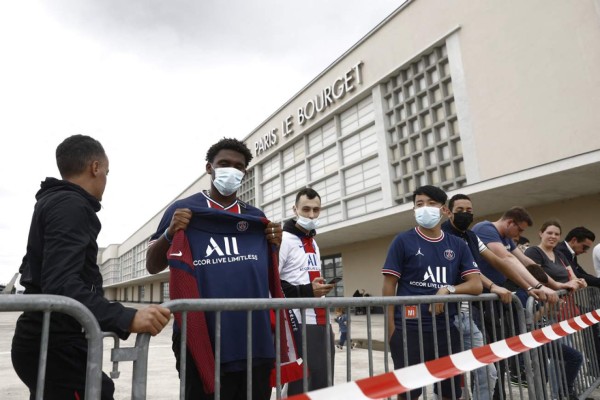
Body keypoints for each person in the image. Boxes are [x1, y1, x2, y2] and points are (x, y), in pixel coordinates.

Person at [11, 134, 171, 400]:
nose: (106, 180)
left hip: (48, 340)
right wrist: (127, 317)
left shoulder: (56, 201)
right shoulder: (70, 205)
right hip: (54, 344)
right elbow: (61, 284)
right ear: (95, 167)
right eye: (107, 172)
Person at [145, 137, 286, 400]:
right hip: (200, 336)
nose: (231, 170)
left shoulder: (255, 218)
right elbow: (153, 266)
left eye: (238, 166)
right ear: (209, 167)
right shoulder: (183, 209)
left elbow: (266, 274)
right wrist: (169, 232)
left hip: (253, 337)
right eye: (224, 163)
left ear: (244, 172)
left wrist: (273, 244)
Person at [382, 185, 482, 400]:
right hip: (408, 329)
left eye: (431, 203)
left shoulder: (457, 244)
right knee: (409, 393)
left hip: (446, 329)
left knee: (450, 391)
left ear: (444, 210)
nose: (424, 208)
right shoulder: (402, 241)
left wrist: (448, 289)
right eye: (419, 204)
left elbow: (476, 284)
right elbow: (389, 285)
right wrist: (391, 329)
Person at [442, 194, 516, 400]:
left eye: (469, 210)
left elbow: (499, 260)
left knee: (487, 372)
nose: (466, 214)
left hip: (467, 315)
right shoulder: (444, 236)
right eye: (460, 210)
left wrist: (534, 285)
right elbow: (471, 272)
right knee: (451, 379)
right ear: (448, 212)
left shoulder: (472, 237)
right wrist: (493, 286)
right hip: (447, 315)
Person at [278, 187, 335, 395]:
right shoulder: (283, 239)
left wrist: (317, 285)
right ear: (295, 209)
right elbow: (273, 282)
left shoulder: (314, 242)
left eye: (316, 210)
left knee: (323, 379)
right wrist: (306, 290)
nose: (311, 215)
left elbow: (305, 277)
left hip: (321, 318)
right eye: (306, 209)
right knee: (300, 381)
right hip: (297, 320)